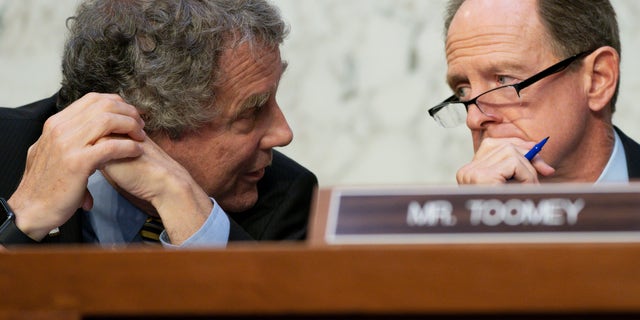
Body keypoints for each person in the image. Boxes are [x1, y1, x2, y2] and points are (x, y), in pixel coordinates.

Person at [0, 0, 317, 247]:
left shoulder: (287, 196)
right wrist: (22, 222)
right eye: (251, 111)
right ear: (141, 118)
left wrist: (184, 204)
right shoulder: (5, 147)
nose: (283, 133)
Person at [428, 0, 640, 185]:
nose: (473, 119)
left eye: (503, 80)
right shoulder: (459, 222)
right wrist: (486, 218)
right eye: (463, 90)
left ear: (597, 79)